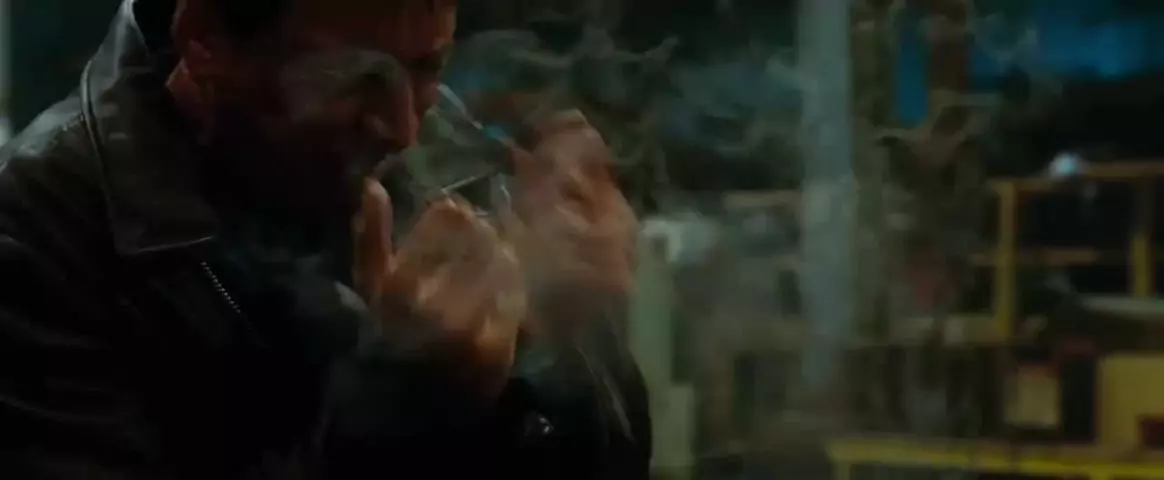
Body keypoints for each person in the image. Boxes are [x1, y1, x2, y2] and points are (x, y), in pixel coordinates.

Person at [0, 0, 650, 478]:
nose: (404, 129)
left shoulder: (436, 141)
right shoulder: (39, 231)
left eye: (428, 66)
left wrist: (570, 339)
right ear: (205, 41)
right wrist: (399, 407)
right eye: (353, 79)